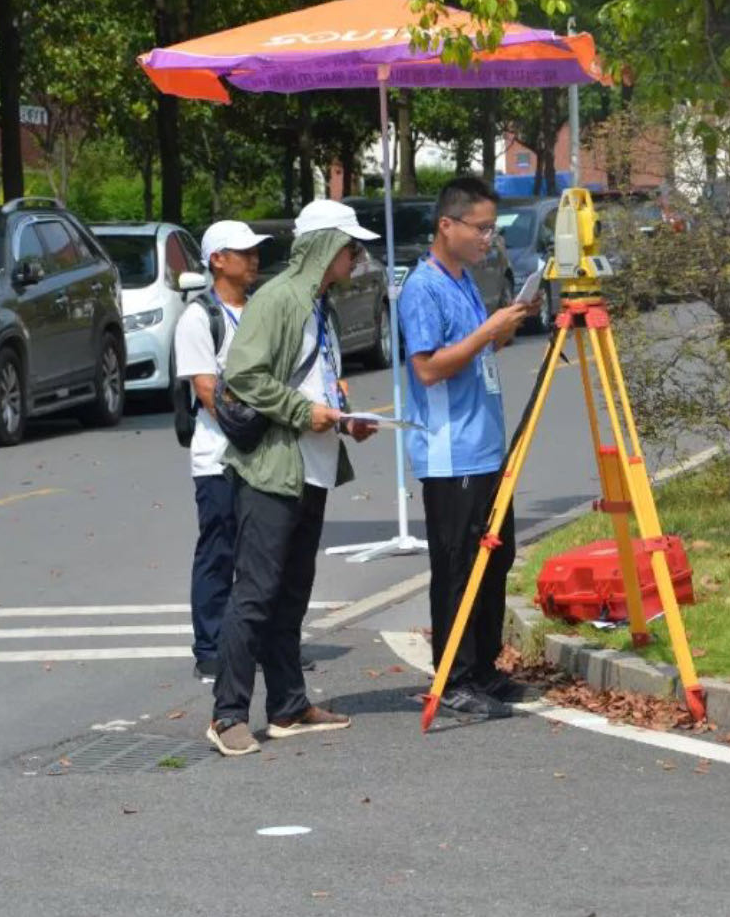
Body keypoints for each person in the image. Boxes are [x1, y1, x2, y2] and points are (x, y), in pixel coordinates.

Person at [205, 200, 381, 757]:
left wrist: (344, 419)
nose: (356, 256)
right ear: (326, 248)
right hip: (274, 467)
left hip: (314, 464)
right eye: (350, 247)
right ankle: (227, 713)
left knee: (292, 592)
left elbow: (316, 383)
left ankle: (287, 705)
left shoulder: (317, 304)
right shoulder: (280, 299)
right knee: (255, 592)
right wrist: (308, 414)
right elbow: (244, 374)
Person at [398, 177, 540, 720]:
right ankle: (453, 674)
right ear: (447, 225)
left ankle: (483, 668)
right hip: (450, 452)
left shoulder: (463, 281)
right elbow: (429, 368)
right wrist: (487, 333)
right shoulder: (423, 288)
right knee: (458, 566)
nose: (488, 238)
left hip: (484, 447)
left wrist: (503, 326)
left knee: (495, 560)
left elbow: (475, 350)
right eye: (480, 228)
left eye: (491, 228)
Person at [173, 220, 264, 683]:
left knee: (261, 554)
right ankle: (209, 647)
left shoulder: (259, 311)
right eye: (242, 251)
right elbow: (208, 392)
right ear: (217, 260)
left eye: (254, 251)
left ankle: (260, 642)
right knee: (219, 551)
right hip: (218, 457)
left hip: (263, 457)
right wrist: (262, 414)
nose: (253, 258)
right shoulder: (198, 317)